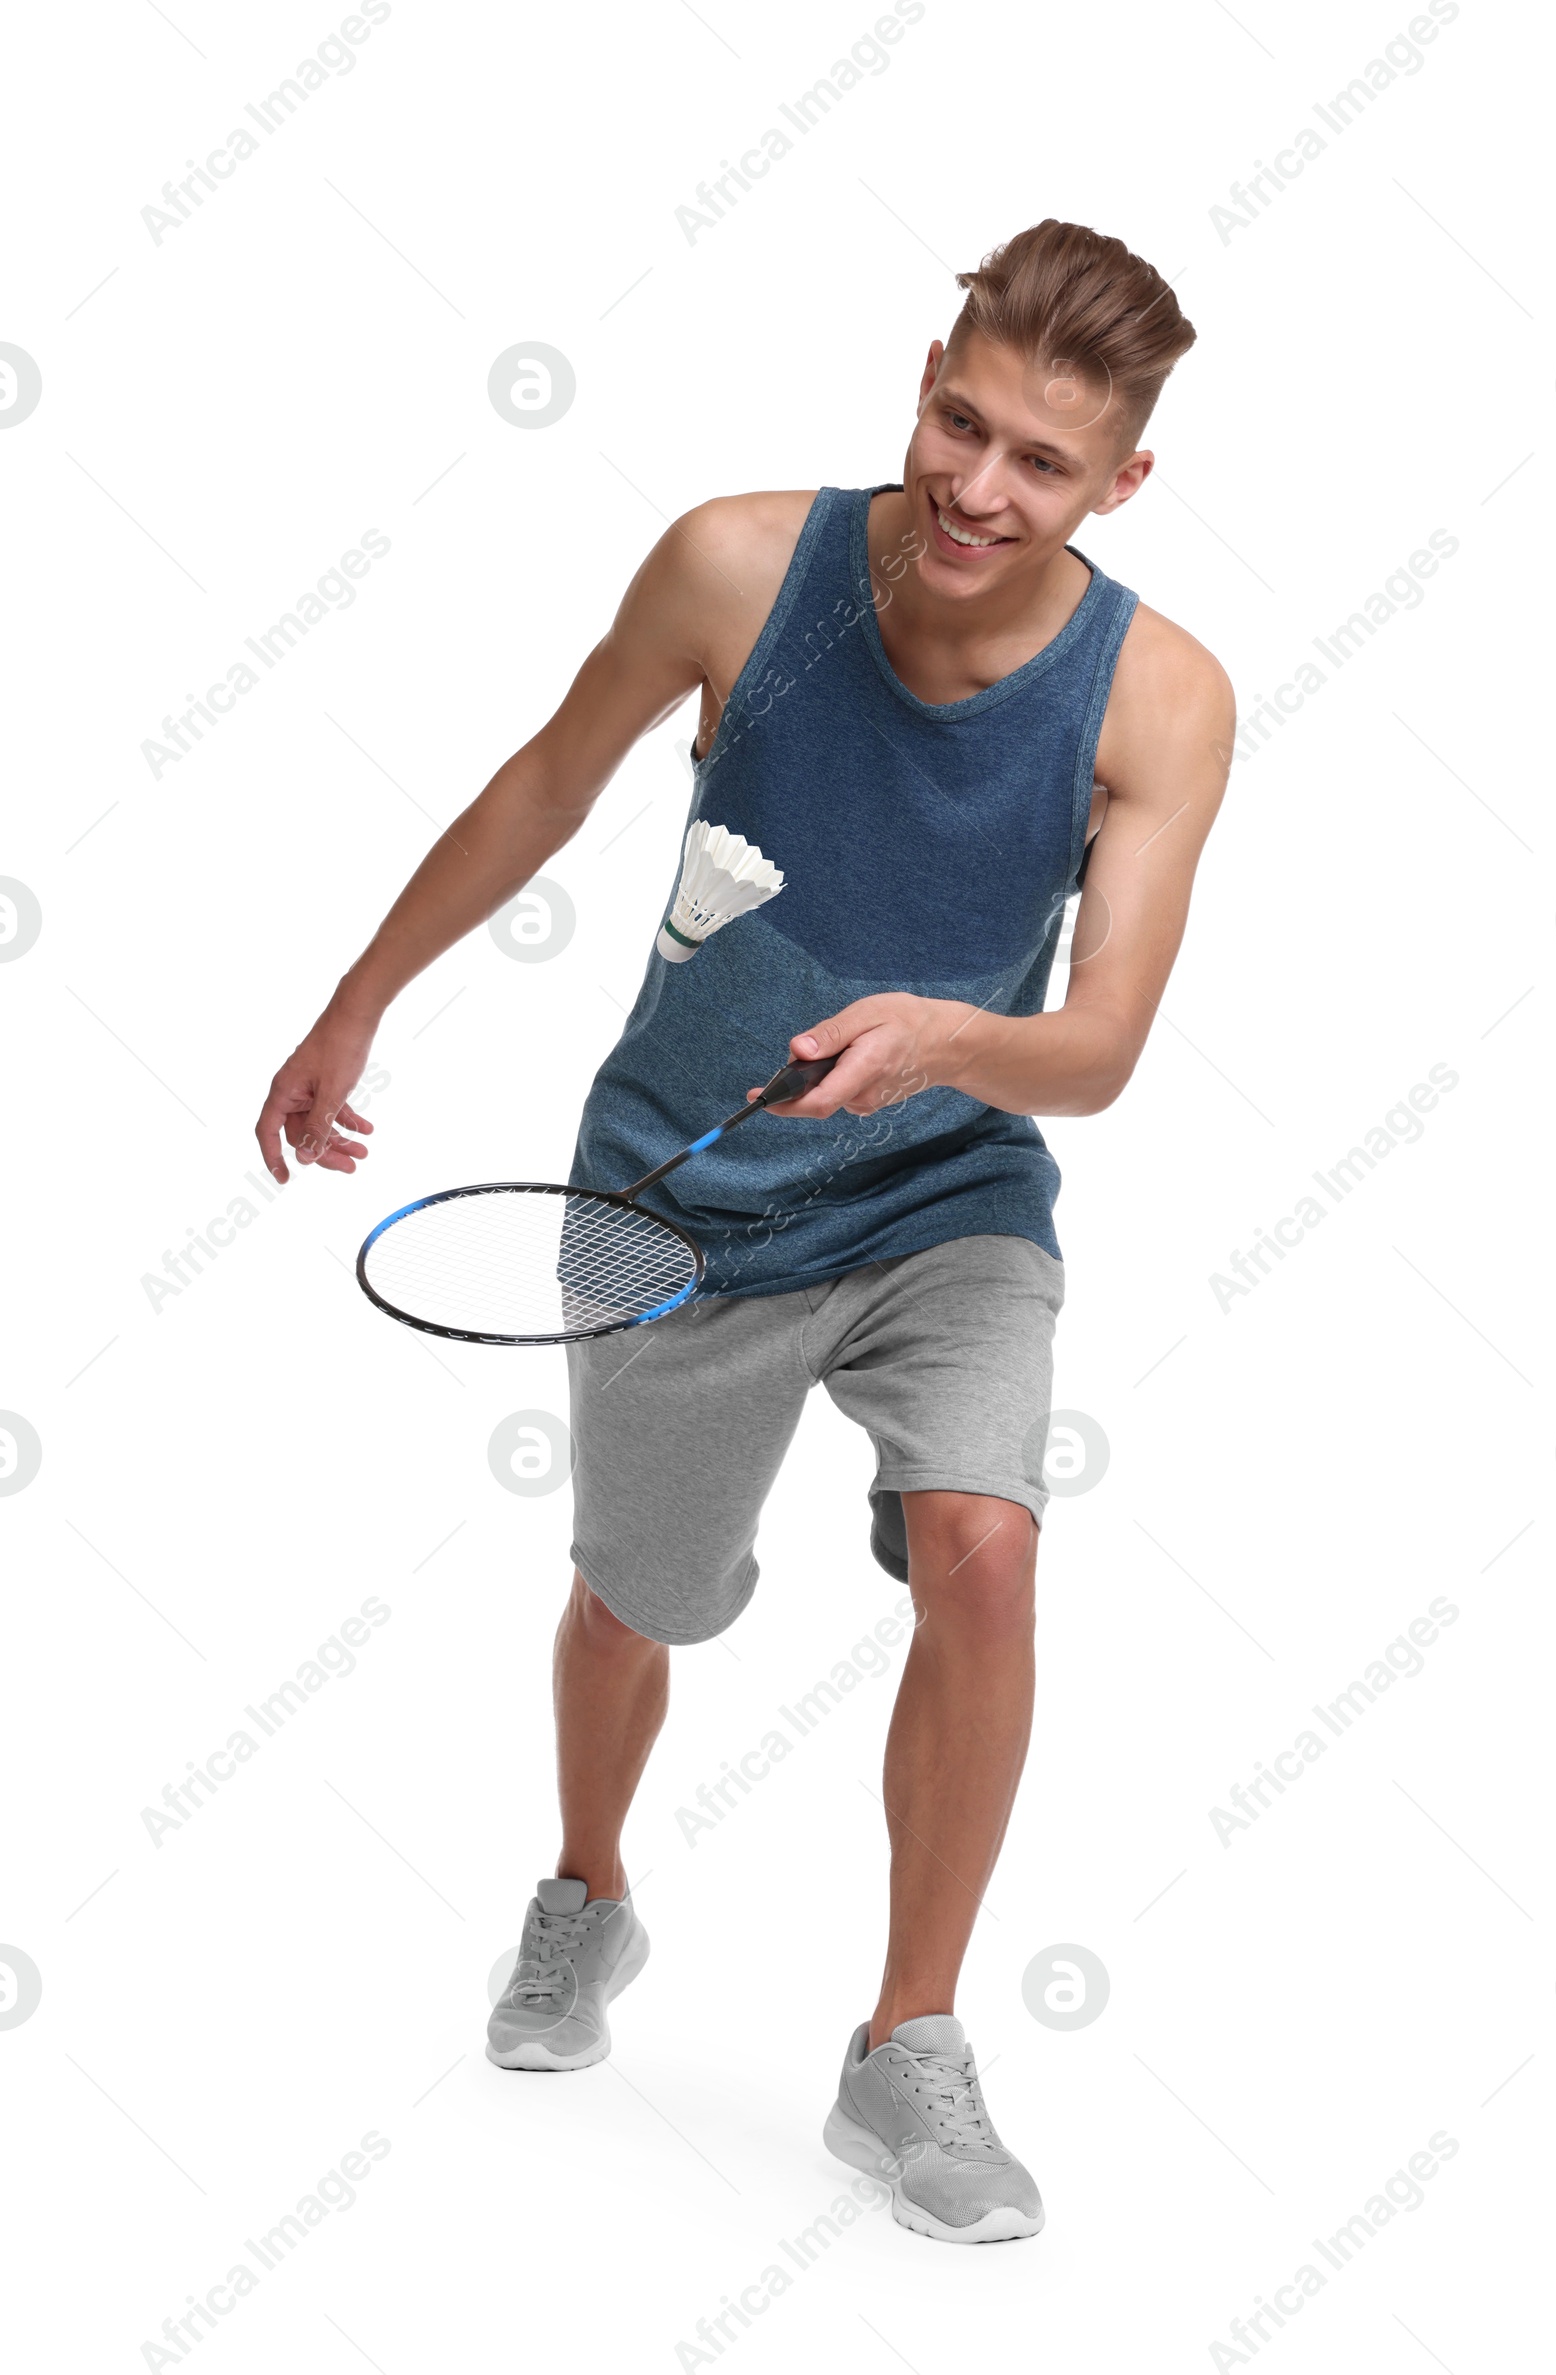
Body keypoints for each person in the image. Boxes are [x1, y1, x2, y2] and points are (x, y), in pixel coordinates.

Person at [255, 218, 1234, 2245]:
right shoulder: (737, 564)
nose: (976, 488)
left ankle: (906, 2048)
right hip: (674, 1196)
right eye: (956, 424)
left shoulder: (1157, 697)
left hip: (949, 1194)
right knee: (639, 1604)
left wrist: (950, 1038)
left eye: (1038, 466)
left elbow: (1100, 1047)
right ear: (925, 377)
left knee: (981, 1549)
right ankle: (586, 1896)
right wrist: (358, 999)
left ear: (1118, 483)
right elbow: (544, 782)